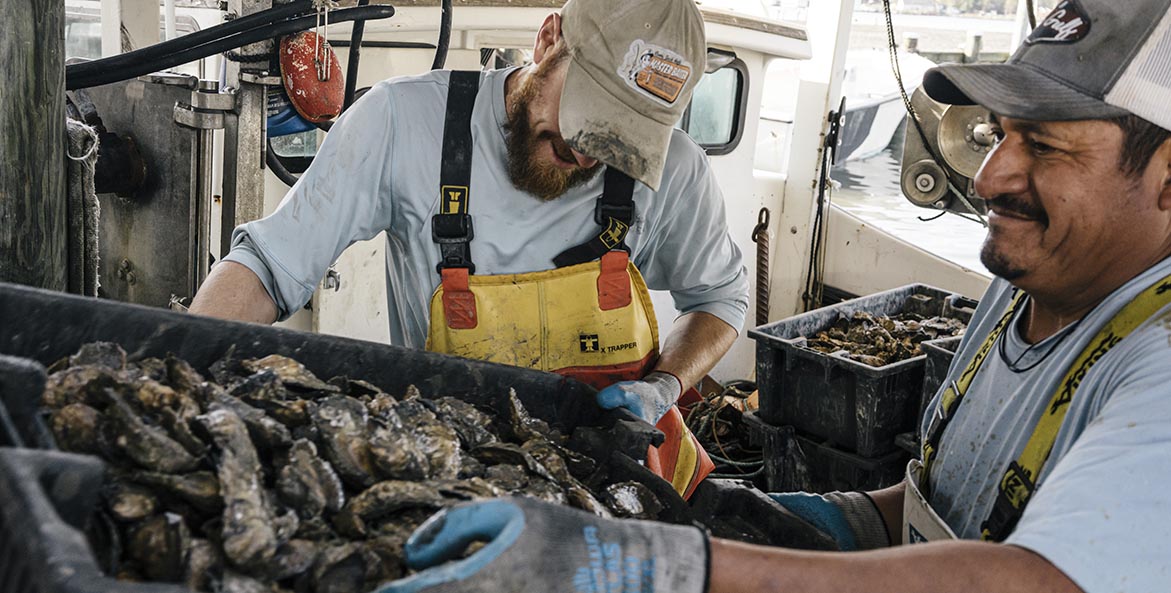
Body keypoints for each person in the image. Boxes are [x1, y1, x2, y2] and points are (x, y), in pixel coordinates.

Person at [373, 1, 1171, 592]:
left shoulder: (1156, 361)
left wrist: (654, 562)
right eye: (997, 132)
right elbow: (951, 509)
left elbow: (1044, 578)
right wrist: (832, 518)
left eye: (1043, 146)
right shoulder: (1030, 278)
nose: (989, 174)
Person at [189, 0, 749, 497]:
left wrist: (665, 385)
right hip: (460, 472)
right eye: (585, 118)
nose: (585, 154)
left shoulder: (675, 170)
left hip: (620, 480)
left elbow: (719, 301)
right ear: (548, 40)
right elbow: (268, 267)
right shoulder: (402, 123)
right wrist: (178, 377)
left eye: (618, 141)